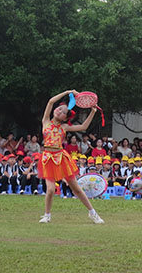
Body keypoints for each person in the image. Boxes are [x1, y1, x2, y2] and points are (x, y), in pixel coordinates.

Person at [38, 90, 104, 224]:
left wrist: (92, 112)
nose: (59, 111)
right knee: (50, 190)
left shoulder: (65, 127)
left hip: (61, 157)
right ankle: (47, 215)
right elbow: (51, 101)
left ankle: (93, 213)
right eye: (59, 108)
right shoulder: (46, 121)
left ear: (65, 118)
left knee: (76, 188)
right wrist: (68, 92)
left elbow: (84, 126)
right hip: (47, 158)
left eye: (63, 112)